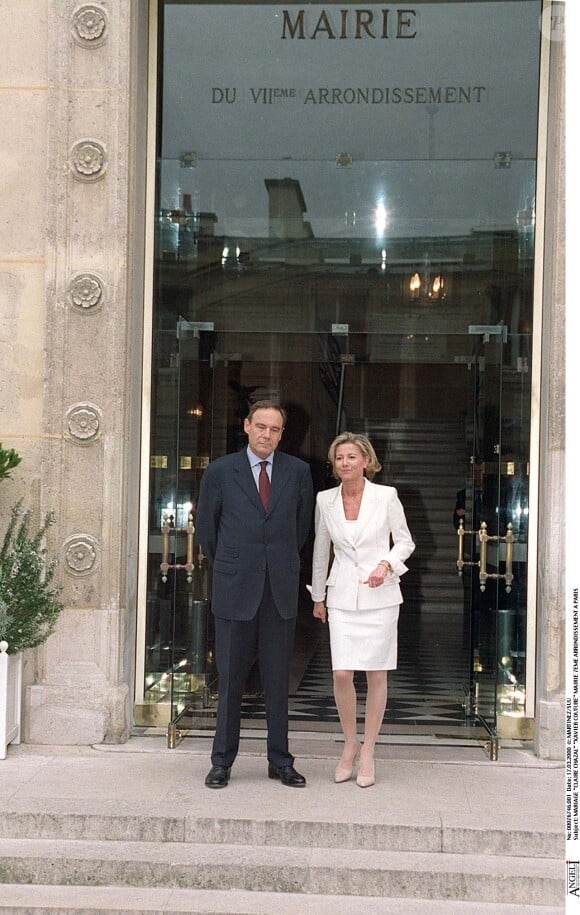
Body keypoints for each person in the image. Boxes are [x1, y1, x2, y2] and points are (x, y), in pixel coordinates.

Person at [196, 400, 314, 788]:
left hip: (278, 588)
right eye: (260, 426)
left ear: (283, 433)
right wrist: (235, 564)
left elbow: (300, 530)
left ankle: (280, 760)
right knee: (230, 678)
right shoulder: (220, 471)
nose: (267, 434)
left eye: (275, 429)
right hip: (235, 588)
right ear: (247, 426)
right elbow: (208, 532)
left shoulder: (298, 472)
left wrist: (273, 563)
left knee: (278, 679)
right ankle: (222, 762)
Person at [310, 432, 414, 787]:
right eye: (339, 458)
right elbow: (321, 550)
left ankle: (368, 749)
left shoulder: (386, 497)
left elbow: (404, 541)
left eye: (352, 457)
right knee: (342, 673)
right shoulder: (325, 500)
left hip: (380, 597)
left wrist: (385, 565)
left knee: (376, 674)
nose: (345, 463)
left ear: (366, 461)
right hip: (341, 597)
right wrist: (318, 596)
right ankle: (349, 743)